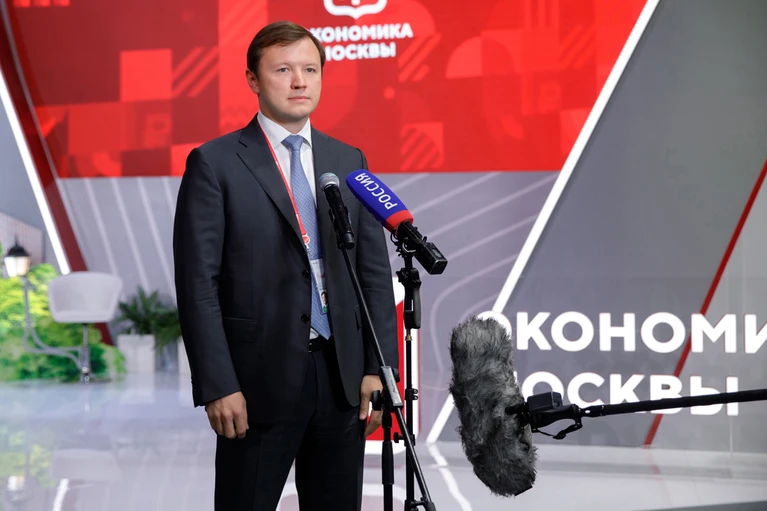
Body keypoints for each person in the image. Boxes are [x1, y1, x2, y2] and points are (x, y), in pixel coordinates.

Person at [172, 20, 399, 511]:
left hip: (341, 380)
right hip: (255, 384)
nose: (299, 82)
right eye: (283, 70)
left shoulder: (348, 159)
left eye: (310, 70)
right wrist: (218, 384)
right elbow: (197, 286)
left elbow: (374, 276)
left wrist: (378, 369)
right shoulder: (215, 163)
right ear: (253, 80)